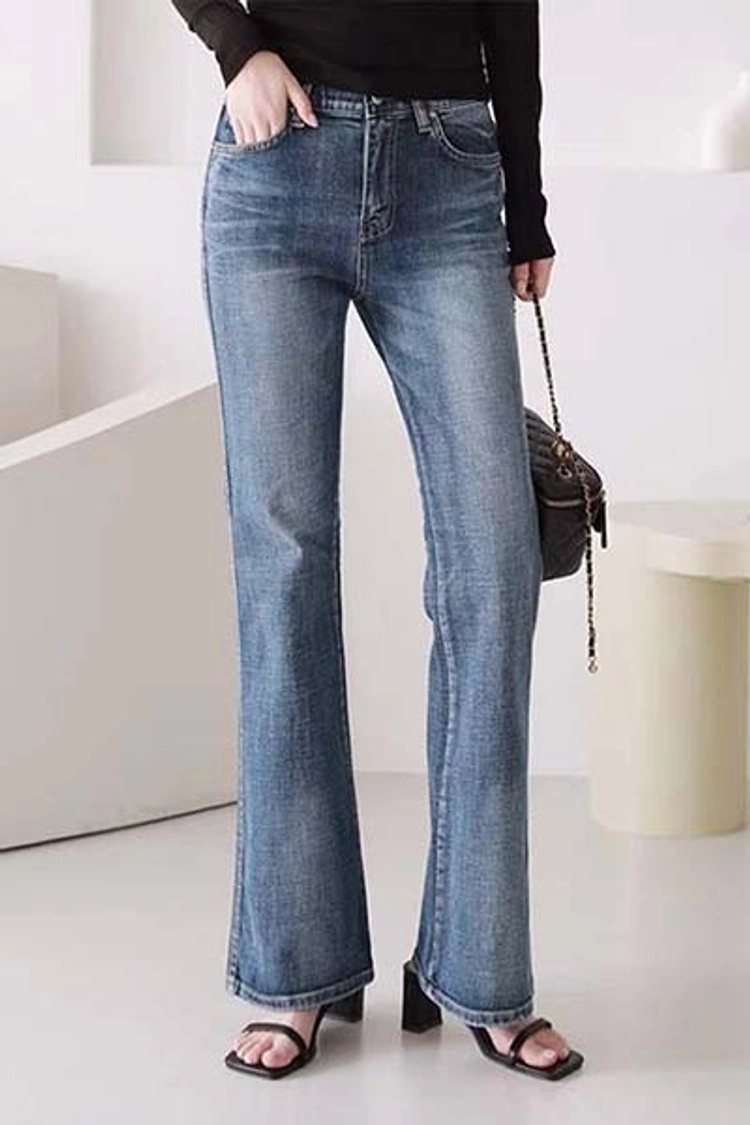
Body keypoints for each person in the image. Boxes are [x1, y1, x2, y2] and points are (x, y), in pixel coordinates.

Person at [171, 0, 583, 1082]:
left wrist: (527, 203)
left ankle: (478, 968)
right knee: (285, 562)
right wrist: (236, 47)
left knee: (495, 567)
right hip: (277, 160)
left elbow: (513, 10)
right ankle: (298, 970)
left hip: (450, 167)